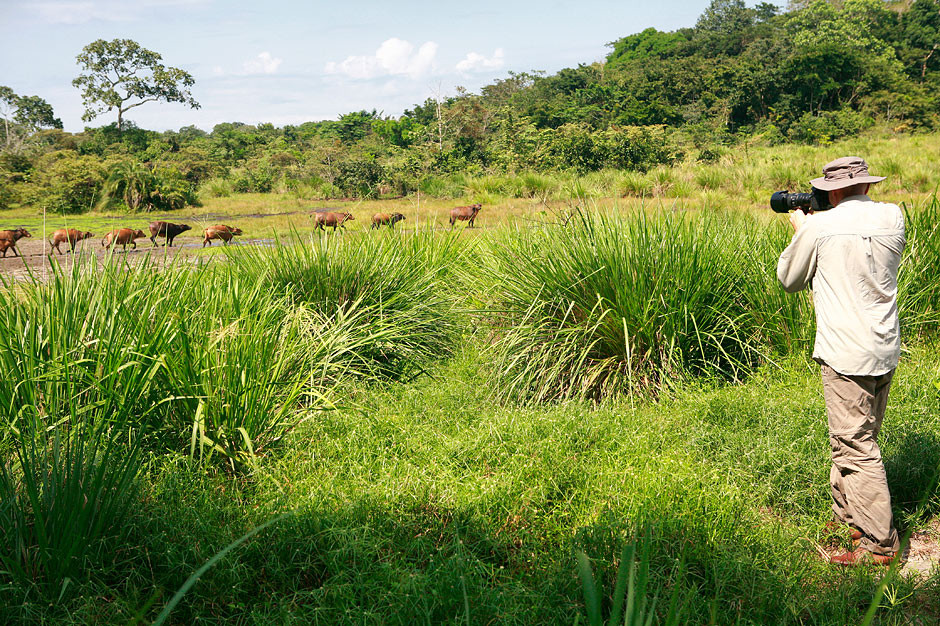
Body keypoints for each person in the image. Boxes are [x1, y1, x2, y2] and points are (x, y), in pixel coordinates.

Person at [777, 156, 905, 566]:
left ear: (830, 190)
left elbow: (790, 280)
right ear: (867, 186)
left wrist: (802, 230)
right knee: (855, 438)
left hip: (846, 353)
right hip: (884, 346)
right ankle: (848, 517)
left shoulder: (819, 227)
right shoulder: (893, 217)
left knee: (855, 446)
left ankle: (878, 546)